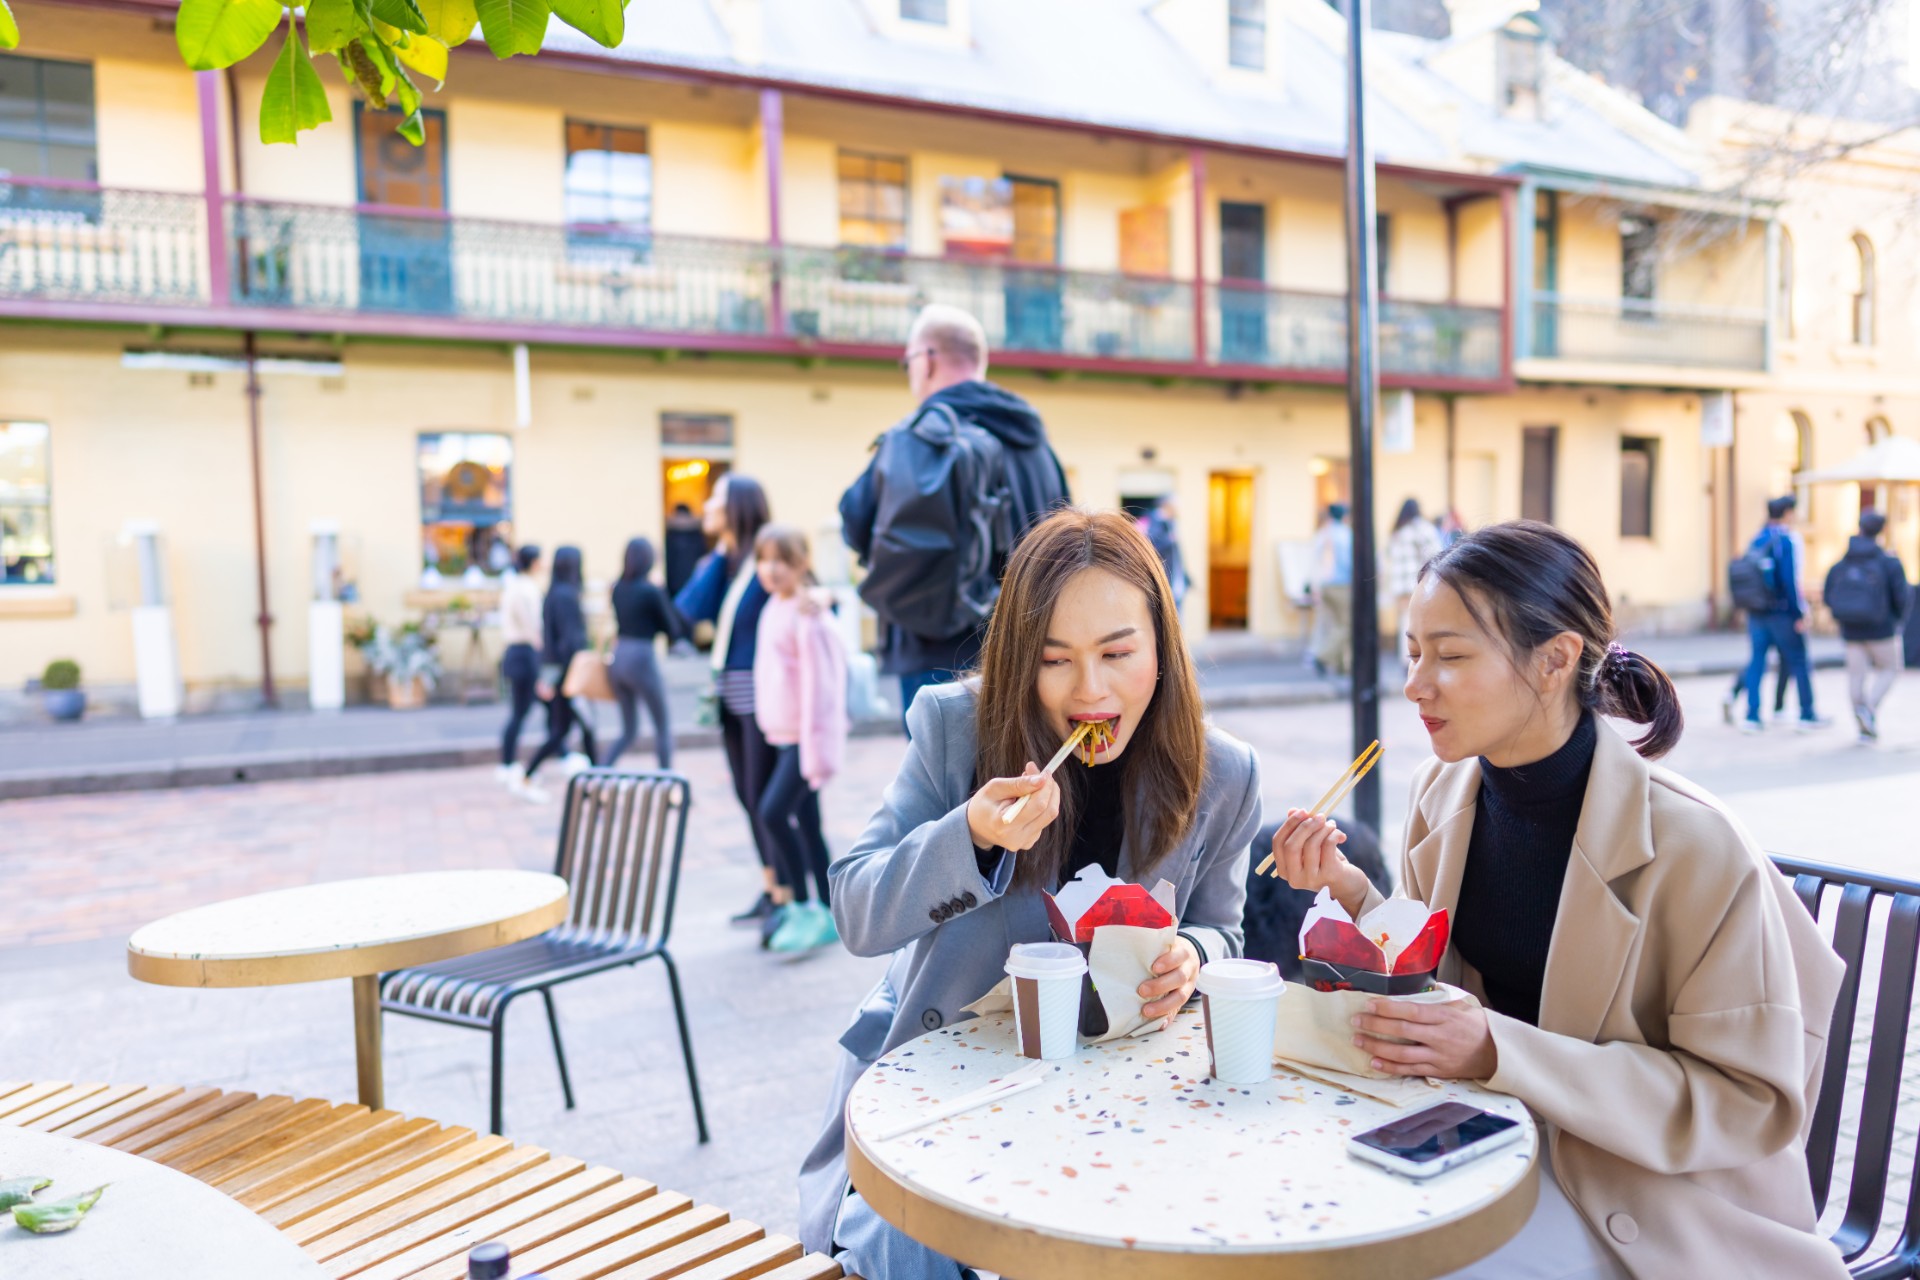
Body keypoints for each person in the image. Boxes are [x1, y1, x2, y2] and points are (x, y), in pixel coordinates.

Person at [1269, 520, 1847, 1280]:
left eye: (1449, 655)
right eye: (1413, 652)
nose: (1414, 684)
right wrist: (1347, 890)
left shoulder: (1695, 847)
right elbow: (1437, 982)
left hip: (1653, 1202)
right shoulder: (1441, 790)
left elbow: (1744, 1101)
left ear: (1555, 660)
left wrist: (1495, 1049)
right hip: (1484, 1144)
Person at [798, 508, 1262, 1279]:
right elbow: (854, 904)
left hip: (1115, 1102)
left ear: (1161, 647)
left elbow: (1226, 932)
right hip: (946, 1094)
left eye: (1118, 653)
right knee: (909, 1249)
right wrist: (969, 836)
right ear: (1021, 660)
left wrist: (1194, 954)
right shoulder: (958, 732)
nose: (1090, 690)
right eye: (1055, 660)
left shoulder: (1222, 773)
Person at [840, 304, 1070, 729]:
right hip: (1026, 650)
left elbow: (854, 521)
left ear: (927, 360)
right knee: (1020, 781)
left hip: (933, 653)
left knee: (942, 788)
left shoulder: (919, 437)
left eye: (908, 361)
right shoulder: (1037, 444)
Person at [675, 474, 785, 935]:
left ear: (737, 506)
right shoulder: (727, 561)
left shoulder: (766, 554)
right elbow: (689, 608)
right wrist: (720, 552)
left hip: (763, 698)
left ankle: (786, 895)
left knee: (765, 798)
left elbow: (803, 590)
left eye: (716, 499)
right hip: (730, 699)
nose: (707, 506)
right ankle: (770, 887)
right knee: (746, 795)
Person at [752, 524, 851, 957]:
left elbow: (821, 690)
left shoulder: (808, 615)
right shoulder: (775, 606)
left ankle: (802, 906)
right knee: (808, 823)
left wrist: (816, 751)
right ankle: (829, 910)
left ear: (801, 565)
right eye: (764, 560)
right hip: (784, 734)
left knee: (772, 812)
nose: (770, 570)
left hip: (803, 739)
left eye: (781, 561)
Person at [516, 545, 598, 801]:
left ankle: (591, 784)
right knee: (582, 728)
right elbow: (570, 640)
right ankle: (595, 784)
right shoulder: (566, 596)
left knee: (564, 731)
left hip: (560, 672)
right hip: (570, 674)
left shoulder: (553, 594)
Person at [1739, 494, 1825, 733]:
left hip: (1756, 612)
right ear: (1788, 513)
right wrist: (1799, 613)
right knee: (1799, 660)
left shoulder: (1757, 539)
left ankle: (1752, 715)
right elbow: (1790, 580)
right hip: (1781, 612)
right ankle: (1807, 712)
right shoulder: (1786, 540)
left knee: (1757, 661)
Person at [1824, 509, 1911, 742]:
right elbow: (1902, 596)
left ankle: (1862, 719)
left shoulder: (1844, 560)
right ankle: (1869, 709)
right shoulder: (1888, 561)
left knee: (1855, 676)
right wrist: (1896, 621)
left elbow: (1828, 592)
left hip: (1850, 629)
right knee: (1891, 668)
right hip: (1881, 629)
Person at [601, 537, 682, 770]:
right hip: (641, 657)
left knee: (628, 730)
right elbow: (672, 628)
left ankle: (599, 771)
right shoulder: (651, 591)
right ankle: (667, 779)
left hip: (618, 657)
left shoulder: (616, 588)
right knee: (662, 726)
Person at [496, 543, 543, 783]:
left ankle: (509, 762)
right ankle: (507, 763)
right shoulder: (525, 588)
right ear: (534, 562)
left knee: (526, 708)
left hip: (516, 651)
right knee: (523, 709)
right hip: (524, 652)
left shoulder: (514, 585)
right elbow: (531, 623)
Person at [1386, 497, 1445, 663]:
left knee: (1404, 621)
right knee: (1416, 621)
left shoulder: (1398, 531)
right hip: (1417, 583)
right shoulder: (1422, 528)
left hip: (1398, 584)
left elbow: (1388, 555)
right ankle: (1412, 659)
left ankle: (1405, 660)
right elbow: (1436, 555)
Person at [1310, 502, 1354, 676]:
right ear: (1344, 516)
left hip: (1323, 586)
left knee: (1334, 624)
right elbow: (1347, 562)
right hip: (1340, 584)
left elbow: (1314, 562)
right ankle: (1322, 657)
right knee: (1345, 625)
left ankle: (1341, 666)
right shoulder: (1345, 534)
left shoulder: (1322, 533)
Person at [1142, 494, 1189, 610]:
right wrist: (1169, 540)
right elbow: (1152, 546)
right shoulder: (1155, 521)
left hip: (1175, 583)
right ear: (1168, 505)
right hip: (1166, 582)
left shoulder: (1170, 523)